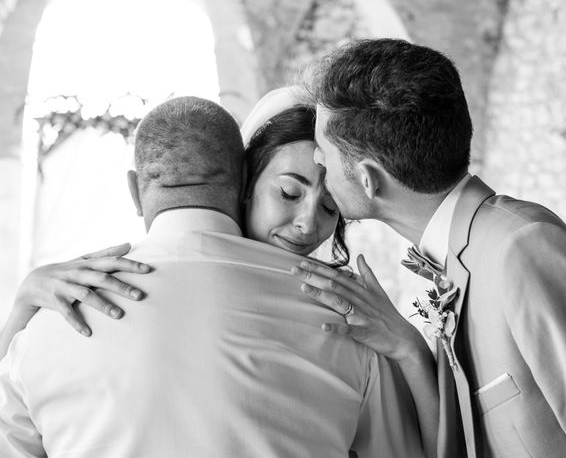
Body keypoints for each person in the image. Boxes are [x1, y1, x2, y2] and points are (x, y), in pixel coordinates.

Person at [0, 96, 425, 457]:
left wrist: (25, 313)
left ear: (135, 190)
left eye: (330, 206)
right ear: (245, 180)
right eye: (289, 192)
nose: (306, 224)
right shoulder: (348, 326)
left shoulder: (50, 321)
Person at [290, 38, 566, 458]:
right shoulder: (454, 260)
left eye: (322, 154)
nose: (318, 164)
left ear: (368, 179)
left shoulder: (524, 250)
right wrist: (408, 347)